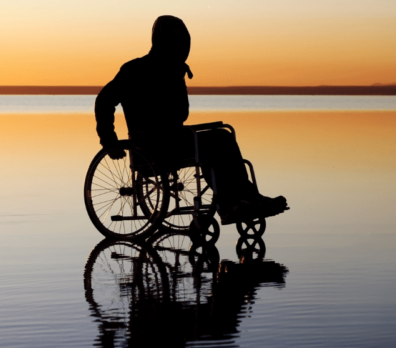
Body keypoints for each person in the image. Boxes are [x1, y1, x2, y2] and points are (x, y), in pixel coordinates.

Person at [94, 15, 288, 224]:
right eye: (174, 39)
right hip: (152, 147)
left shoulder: (173, 70)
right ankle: (233, 202)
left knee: (221, 136)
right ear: (162, 40)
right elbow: (104, 101)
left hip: (171, 141)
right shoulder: (134, 70)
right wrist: (109, 140)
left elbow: (180, 115)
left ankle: (245, 197)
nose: (179, 45)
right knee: (217, 141)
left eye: (181, 40)